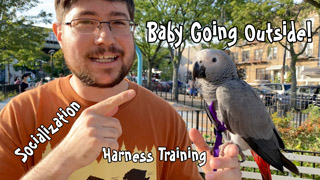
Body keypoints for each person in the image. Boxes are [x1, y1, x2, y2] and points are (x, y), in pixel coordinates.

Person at [0, 0, 241, 179]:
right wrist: (64, 159)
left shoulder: (165, 119)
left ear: (131, 31)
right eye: (85, 21)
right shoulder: (19, 116)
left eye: (118, 22)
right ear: (59, 34)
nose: (105, 37)